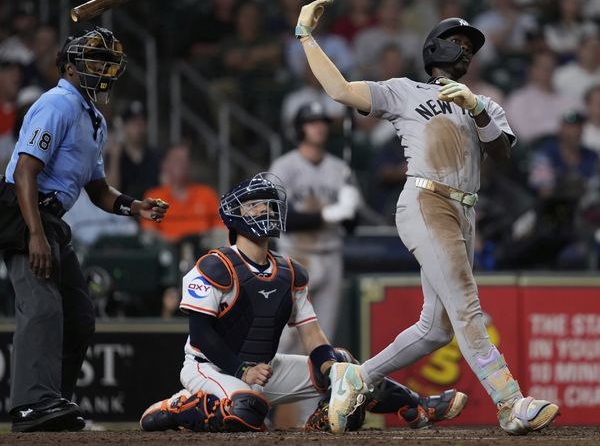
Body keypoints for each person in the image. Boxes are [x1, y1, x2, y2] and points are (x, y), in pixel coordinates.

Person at [295, 0, 559, 435]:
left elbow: (501, 155)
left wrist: (476, 109)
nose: (466, 50)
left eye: (470, 47)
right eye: (458, 42)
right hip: (426, 199)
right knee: (467, 306)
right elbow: (340, 90)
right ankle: (510, 403)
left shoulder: (485, 104)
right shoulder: (405, 90)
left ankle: (356, 378)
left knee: (436, 329)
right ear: (436, 47)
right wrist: (306, 37)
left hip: (464, 211)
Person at [139, 172, 467, 432]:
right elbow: (200, 335)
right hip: (209, 367)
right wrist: (242, 370)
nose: (264, 210)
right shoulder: (214, 265)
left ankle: (416, 405)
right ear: (234, 216)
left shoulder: (290, 271)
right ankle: (181, 406)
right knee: (246, 411)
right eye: (254, 205)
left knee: (345, 367)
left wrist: (331, 370)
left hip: (263, 368)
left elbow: (311, 333)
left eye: (268, 204)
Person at [0, 27, 169, 432]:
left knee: (79, 316)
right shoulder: (56, 103)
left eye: (108, 62)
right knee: (41, 307)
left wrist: (135, 206)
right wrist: (34, 234)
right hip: (24, 211)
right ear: (70, 68)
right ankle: (30, 404)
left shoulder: (94, 119)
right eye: (95, 61)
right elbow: (24, 172)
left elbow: (98, 188)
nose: (103, 70)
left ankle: (53, 401)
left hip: (52, 218)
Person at [268, 102, 361, 426]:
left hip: (331, 256)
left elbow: (351, 225)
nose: (318, 127)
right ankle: (258, 406)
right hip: (295, 259)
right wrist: (325, 214)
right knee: (282, 339)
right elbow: (279, 217)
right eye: (311, 122)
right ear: (300, 128)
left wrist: (350, 209)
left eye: (322, 121)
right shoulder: (284, 166)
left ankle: (311, 418)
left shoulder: (340, 168)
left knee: (323, 343)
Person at [141, 144, 224, 243]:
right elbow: (149, 231)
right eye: (178, 160)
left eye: (186, 160)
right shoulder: (154, 197)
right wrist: (176, 243)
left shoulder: (207, 194)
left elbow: (221, 229)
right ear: (165, 165)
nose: (183, 164)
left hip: (203, 248)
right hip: (167, 249)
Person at [105, 101, 160, 200]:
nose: (139, 128)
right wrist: (114, 159)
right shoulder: (116, 156)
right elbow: (111, 190)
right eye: (134, 123)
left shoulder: (156, 156)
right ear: (124, 127)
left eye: (142, 123)